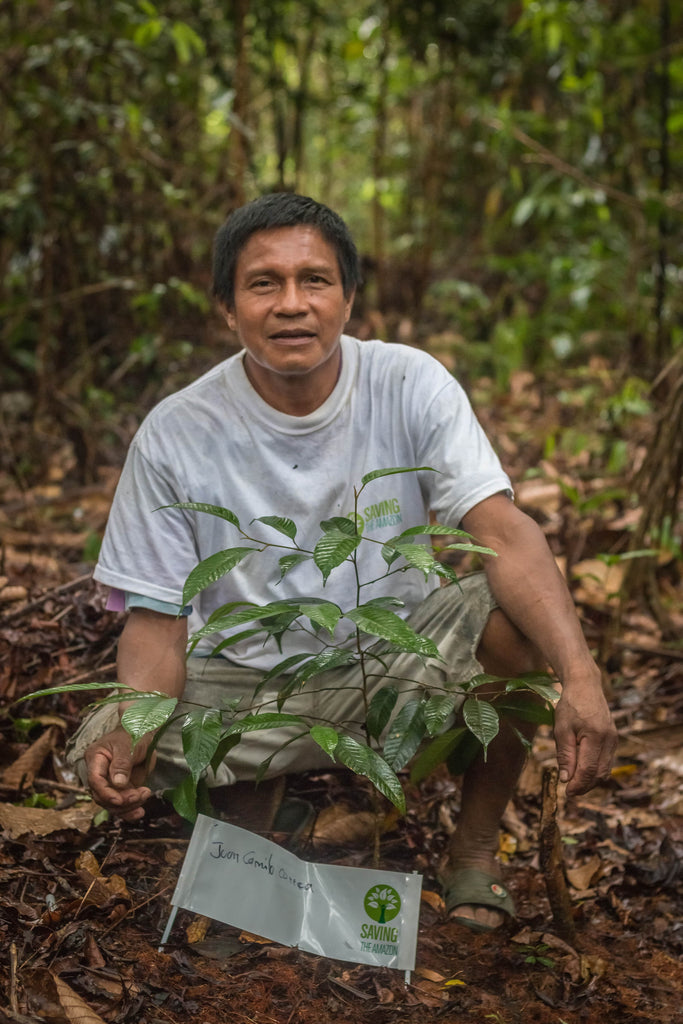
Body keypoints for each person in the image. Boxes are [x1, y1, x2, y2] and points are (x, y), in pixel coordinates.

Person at [69, 193, 617, 933]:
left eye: (314, 280)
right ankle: (261, 811)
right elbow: (158, 623)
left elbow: (505, 532)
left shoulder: (407, 381)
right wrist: (131, 731)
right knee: (100, 743)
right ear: (226, 309)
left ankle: (475, 850)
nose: (291, 304)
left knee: (510, 623)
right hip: (245, 680)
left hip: (397, 662)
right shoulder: (176, 432)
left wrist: (579, 677)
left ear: (349, 298)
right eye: (263, 283)